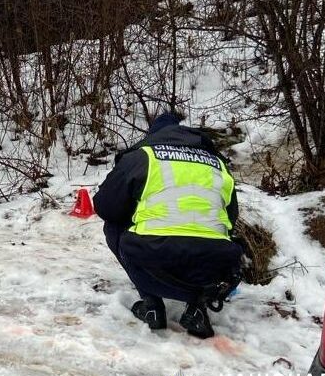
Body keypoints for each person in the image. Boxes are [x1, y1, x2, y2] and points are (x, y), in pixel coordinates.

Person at [93, 111, 242, 338]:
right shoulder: (218, 163)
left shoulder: (143, 156)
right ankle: (197, 307)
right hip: (213, 268)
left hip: (153, 262)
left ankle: (151, 304)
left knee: (113, 226)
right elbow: (230, 219)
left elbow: (105, 207)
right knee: (215, 234)